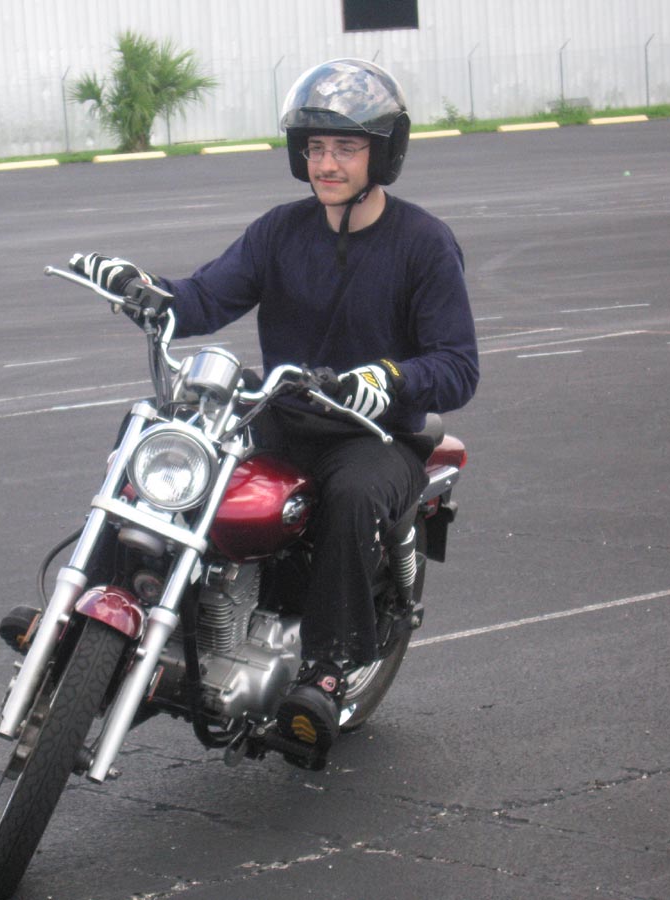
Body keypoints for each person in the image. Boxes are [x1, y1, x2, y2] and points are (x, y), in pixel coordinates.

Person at [70, 59, 479, 767]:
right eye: (316, 147)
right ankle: (101, 613)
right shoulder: (281, 231)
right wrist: (143, 291)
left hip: (375, 434)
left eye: (345, 147)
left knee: (353, 495)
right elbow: (205, 298)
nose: (327, 163)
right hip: (283, 414)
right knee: (159, 436)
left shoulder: (423, 243)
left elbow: (458, 365)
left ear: (383, 153)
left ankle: (327, 668)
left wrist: (386, 379)